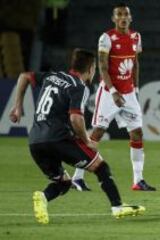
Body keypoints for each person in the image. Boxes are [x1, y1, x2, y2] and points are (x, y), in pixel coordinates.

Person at [9, 49, 145, 224]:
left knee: (64, 182)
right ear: (90, 68)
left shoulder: (52, 76)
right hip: (58, 138)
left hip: (35, 141)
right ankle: (117, 207)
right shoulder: (78, 86)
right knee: (101, 167)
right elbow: (75, 118)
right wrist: (87, 140)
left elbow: (24, 76)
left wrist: (17, 106)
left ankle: (43, 197)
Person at [72, 3, 156, 192]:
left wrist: (135, 88)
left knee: (137, 133)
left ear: (130, 17)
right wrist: (113, 92)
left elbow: (135, 63)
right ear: (114, 19)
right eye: (119, 14)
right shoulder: (107, 38)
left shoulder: (136, 37)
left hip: (129, 93)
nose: (123, 17)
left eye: (126, 14)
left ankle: (138, 180)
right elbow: (103, 67)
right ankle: (77, 178)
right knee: (97, 133)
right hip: (109, 94)